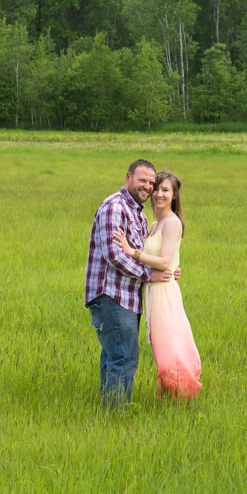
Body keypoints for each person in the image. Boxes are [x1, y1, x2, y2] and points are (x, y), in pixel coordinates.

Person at [85, 159, 178, 405]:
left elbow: (145, 254)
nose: (148, 187)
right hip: (112, 296)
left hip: (127, 297)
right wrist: (150, 275)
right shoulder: (115, 207)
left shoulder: (138, 214)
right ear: (128, 177)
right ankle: (116, 415)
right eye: (142, 180)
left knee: (114, 357)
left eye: (152, 182)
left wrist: (167, 270)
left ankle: (108, 413)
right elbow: (114, 255)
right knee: (123, 358)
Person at [113, 170, 202, 399]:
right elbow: (168, 260)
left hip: (163, 292)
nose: (159, 194)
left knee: (168, 349)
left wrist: (133, 252)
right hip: (154, 291)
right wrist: (173, 267)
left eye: (165, 190)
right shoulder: (155, 224)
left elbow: (163, 262)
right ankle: (169, 398)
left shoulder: (172, 223)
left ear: (174, 195)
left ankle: (182, 396)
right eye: (157, 189)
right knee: (161, 348)